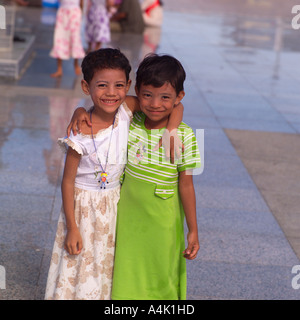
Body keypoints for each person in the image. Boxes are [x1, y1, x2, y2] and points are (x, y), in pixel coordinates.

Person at [44, 48, 183, 300]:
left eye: (119, 85)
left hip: (115, 204)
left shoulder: (127, 109)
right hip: (83, 210)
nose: (111, 92)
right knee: (80, 262)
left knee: (106, 264)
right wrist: (72, 227)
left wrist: (171, 129)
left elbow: (175, 103)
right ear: (86, 87)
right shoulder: (80, 131)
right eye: (102, 85)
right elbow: (67, 182)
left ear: (128, 85)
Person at [111, 54, 201, 300]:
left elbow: (186, 185)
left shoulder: (185, 135)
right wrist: (79, 110)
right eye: (147, 95)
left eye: (165, 98)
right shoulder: (132, 121)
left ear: (179, 97)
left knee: (161, 272)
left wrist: (193, 229)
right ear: (138, 92)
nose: (155, 104)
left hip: (163, 219)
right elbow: (116, 101)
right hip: (128, 215)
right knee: (127, 270)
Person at [49, 0, 86, 78]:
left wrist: (80, 13)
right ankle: (59, 68)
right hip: (63, 12)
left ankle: (76, 64)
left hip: (74, 12)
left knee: (75, 38)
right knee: (59, 37)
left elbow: (81, 2)